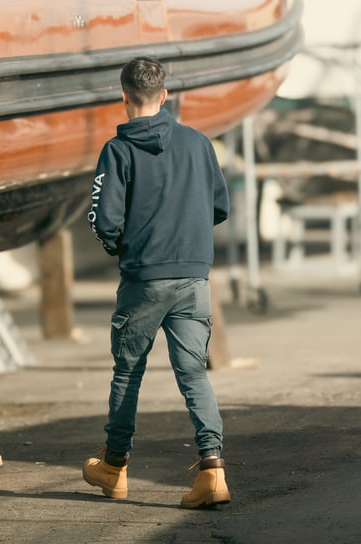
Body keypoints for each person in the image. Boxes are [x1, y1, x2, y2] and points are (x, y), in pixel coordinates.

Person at [83, 57, 231, 509]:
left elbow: (102, 220)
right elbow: (219, 207)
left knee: (128, 372)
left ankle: (114, 467)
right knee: (193, 375)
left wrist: (121, 249)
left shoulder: (117, 150)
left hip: (144, 279)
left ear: (123, 95)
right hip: (193, 278)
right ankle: (212, 473)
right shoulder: (199, 143)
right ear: (165, 95)